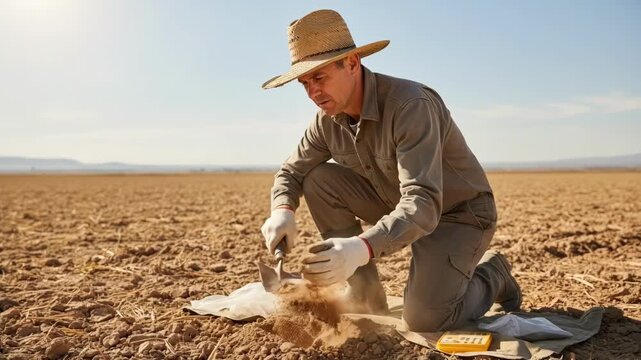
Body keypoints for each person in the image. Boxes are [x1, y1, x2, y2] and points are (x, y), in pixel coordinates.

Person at [259, 9, 522, 332]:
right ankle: (366, 294)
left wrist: (360, 248)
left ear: (352, 63)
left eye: (320, 77)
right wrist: (282, 210)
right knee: (318, 180)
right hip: (398, 204)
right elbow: (292, 171)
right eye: (305, 83)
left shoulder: (411, 105)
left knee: (426, 320)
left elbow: (423, 204)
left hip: (456, 214)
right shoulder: (326, 121)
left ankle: (492, 274)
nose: (313, 92)